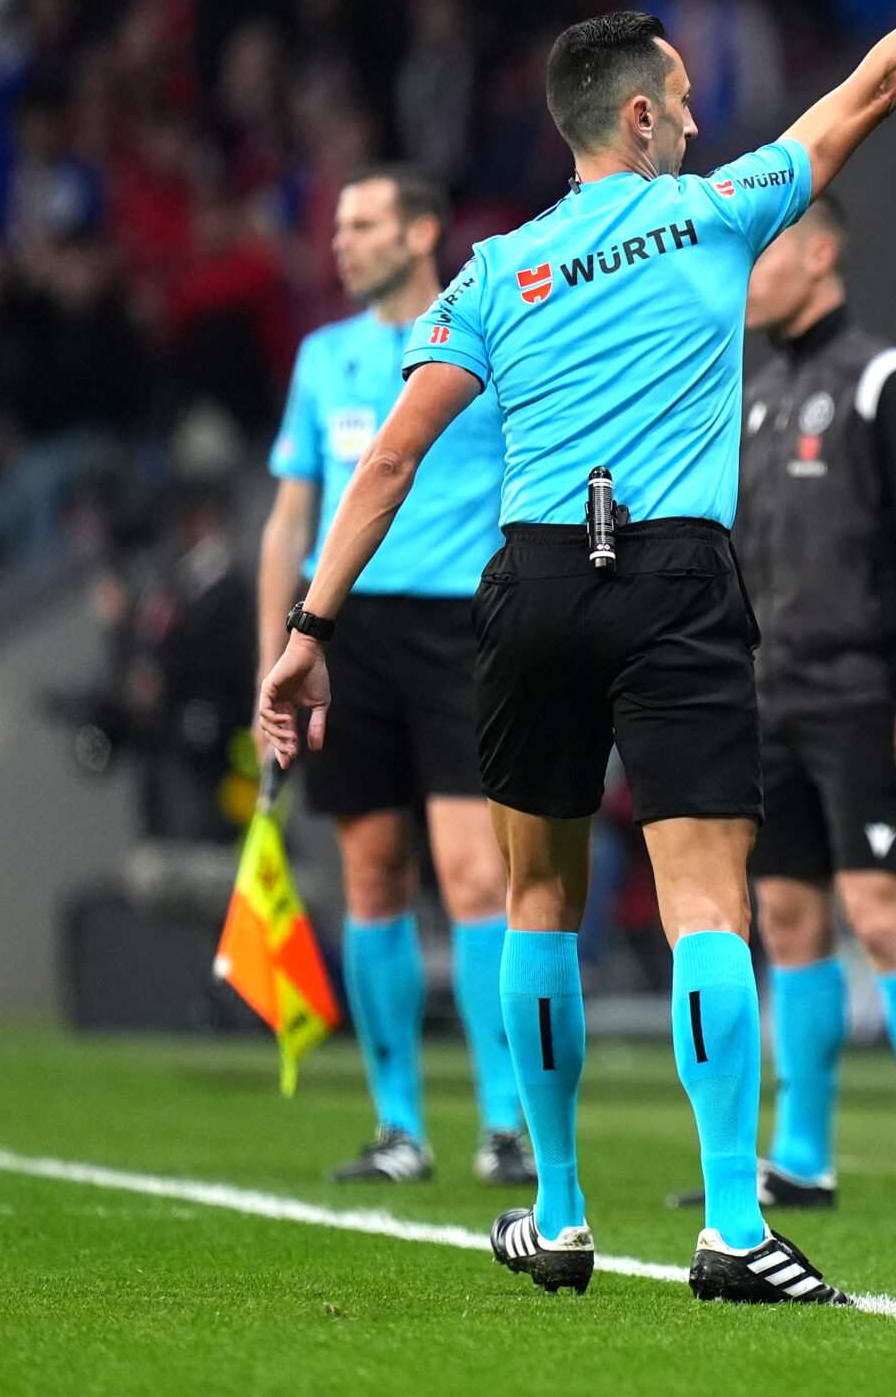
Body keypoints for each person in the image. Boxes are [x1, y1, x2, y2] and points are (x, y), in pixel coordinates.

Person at [257, 0, 896, 1307]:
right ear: (636, 118)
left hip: (525, 589)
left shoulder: (493, 272)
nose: (700, 115)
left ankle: (562, 1214)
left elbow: (390, 454)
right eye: (684, 98)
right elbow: (876, 82)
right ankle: (730, 1225)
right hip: (675, 576)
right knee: (709, 902)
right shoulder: (716, 215)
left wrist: (308, 630)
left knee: (534, 903)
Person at [708, 188, 896, 1217]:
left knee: (878, 910)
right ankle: (801, 1153)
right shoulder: (747, 392)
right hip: (766, 693)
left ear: (820, 255)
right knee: (785, 916)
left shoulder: (887, 382)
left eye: (763, 253)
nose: (745, 273)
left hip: (865, 692)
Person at [256, 162, 529, 1189]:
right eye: (338, 224)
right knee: (372, 877)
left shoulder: (485, 335)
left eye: (363, 221)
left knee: (473, 874)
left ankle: (506, 1122)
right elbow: (292, 517)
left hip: (464, 627)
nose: (341, 239)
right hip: (347, 635)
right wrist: (275, 654)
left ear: (421, 233)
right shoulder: (322, 357)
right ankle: (398, 1125)